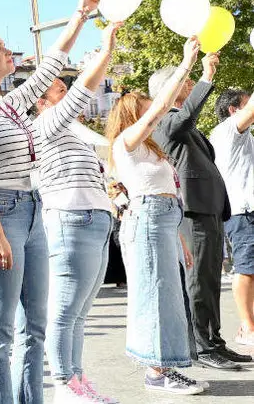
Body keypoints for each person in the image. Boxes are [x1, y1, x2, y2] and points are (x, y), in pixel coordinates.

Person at [0, 0, 96, 403]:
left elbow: (49, 68)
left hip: (31, 211)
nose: (7, 51)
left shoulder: (10, 104)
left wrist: (80, 15)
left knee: (36, 325)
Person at [105, 36, 208, 395]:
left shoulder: (149, 150)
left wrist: (180, 240)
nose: (157, 114)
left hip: (161, 221)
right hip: (147, 220)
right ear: (135, 115)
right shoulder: (127, 142)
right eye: (148, 111)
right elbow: (161, 108)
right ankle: (156, 371)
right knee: (155, 295)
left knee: (167, 295)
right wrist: (186, 64)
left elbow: (166, 196)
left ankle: (166, 367)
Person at [32, 21, 122, 402]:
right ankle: (65, 384)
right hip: (71, 218)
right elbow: (83, 92)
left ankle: (77, 381)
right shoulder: (46, 123)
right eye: (56, 85)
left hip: (94, 221)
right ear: (40, 99)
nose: (63, 87)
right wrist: (105, 52)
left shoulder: (71, 134)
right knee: (66, 310)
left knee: (81, 312)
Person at [149, 54, 251, 369]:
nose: (190, 84)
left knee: (208, 281)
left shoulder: (180, 121)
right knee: (198, 282)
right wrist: (206, 75)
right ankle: (203, 348)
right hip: (193, 213)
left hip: (209, 210)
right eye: (185, 81)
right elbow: (186, 118)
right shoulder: (165, 119)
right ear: (168, 89)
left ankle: (215, 342)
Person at [208, 88, 254, 347]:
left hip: (246, 210)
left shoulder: (244, 136)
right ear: (233, 110)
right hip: (243, 211)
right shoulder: (228, 131)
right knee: (247, 269)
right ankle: (247, 327)